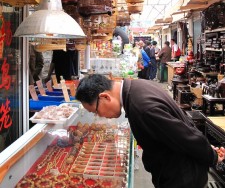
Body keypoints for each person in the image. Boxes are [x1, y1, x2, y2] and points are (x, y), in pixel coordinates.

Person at [75, 74, 225, 188]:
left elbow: (185, 138)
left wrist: (211, 156)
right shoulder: (138, 86)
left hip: (182, 178)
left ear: (105, 96)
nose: (99, 116)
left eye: (96, 111)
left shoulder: (142, 108)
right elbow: (180, 124)